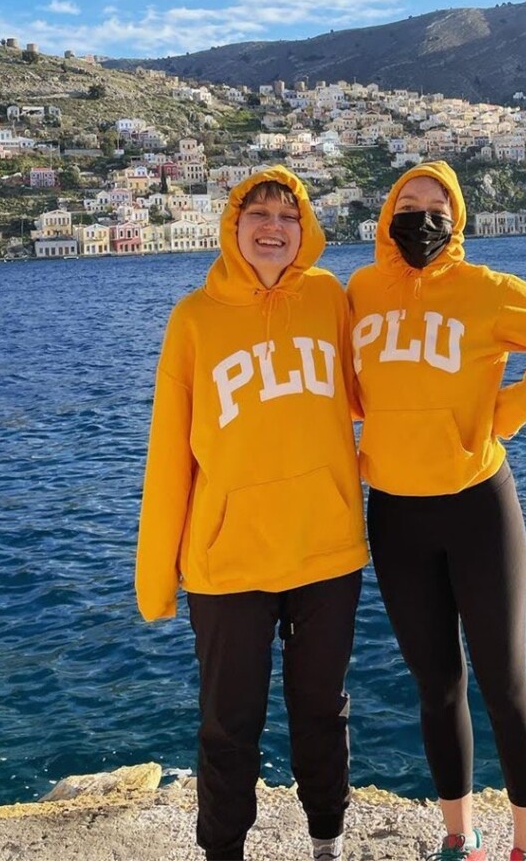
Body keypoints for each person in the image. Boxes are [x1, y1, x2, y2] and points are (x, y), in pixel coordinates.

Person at [347, 161, 526, 861]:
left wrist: (508, 409)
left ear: (456, 223)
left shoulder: (485, 291)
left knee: (504, 682)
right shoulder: (361, 291)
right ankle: (459, 837)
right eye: (408, 202)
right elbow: (345, 382)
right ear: (386, 214)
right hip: (395, 514)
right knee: (436, 686)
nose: (422, 217)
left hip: (477, 507)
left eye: (437, 207)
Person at [135, 166, 368, 861]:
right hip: (226, 563)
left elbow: (383, 387)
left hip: (326, 550)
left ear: (306, 230)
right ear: (232, 226)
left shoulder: (330, 298)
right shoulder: (194, 320)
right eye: (257, 212)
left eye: (288, 215)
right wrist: (156, 579)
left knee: (322, 713)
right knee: (228, 726)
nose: (273, 226)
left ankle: (326, 840)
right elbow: (169, 456)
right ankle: (223, 853)